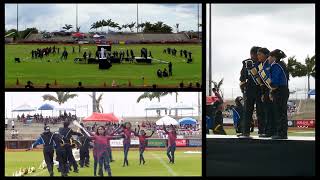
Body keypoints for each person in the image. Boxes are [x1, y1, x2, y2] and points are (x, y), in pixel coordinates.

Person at [238, 46, 262, 138]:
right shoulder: (246, 63)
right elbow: (242, 77)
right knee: (247, 112)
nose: (257, 56)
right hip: (248, 91)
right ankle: (245, 132)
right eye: (257, 54)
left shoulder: (262, 63)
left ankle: (262, 131)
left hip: (260, 90)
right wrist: (243, 87)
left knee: (261, 111)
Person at [268, 49, 289, 139]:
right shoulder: (283, 65)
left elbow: (275, 82)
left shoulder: (276, 66)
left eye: (269, 56)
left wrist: (271, 89)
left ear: (274, 57)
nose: (268, 58)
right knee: (282, 112)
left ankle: (281, 133)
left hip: (279, 91)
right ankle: (282, 133)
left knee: (280, 112)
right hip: (284, 90)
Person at [257, 47, 273, 137]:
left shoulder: (269, 64)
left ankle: (272, 131)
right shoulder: (260, 65)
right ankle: (268, 131)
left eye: (260, 54)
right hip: (266, 91)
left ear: (266, 55)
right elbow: (262, 82)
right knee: (267, 112)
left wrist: (272, 91)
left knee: (272, 112)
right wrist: (263, 93)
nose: (258, 56)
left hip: (273, 90)